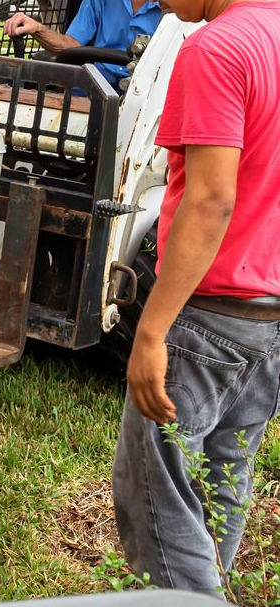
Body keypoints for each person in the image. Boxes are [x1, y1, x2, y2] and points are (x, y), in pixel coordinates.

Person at [111, 0, 280, 594]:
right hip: (269, 318)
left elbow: (211, 201)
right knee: (223, 481)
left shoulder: (217, 48)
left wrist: (152, 330)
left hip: (208, 315)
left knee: (155, 495)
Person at [2, 0, 162, 90]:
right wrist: (37, 28)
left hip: (146, 89)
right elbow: (70, 45)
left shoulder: (173, 9)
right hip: (96, 86)